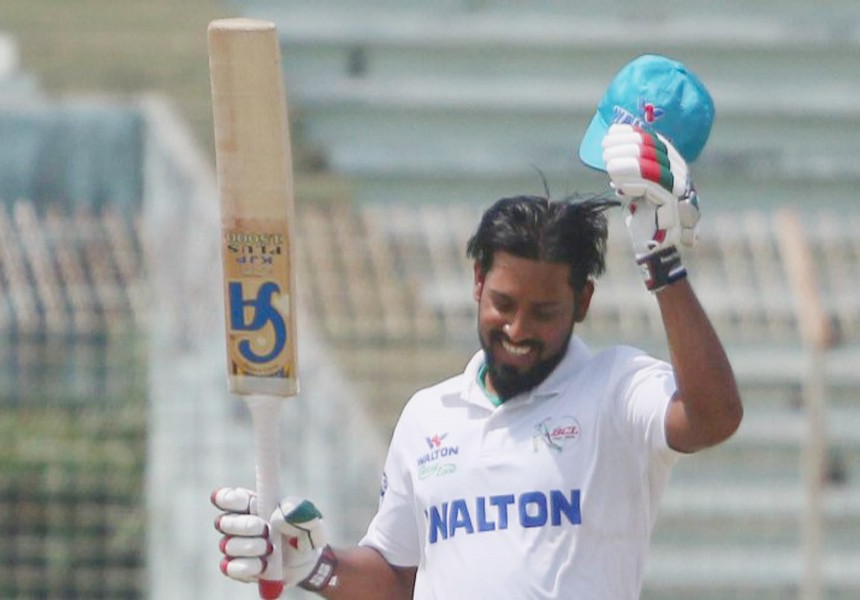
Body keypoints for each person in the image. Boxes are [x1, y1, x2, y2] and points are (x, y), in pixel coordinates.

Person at [211, 54, 743, 599]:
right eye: (503, 304)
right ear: (477, 284)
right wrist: (314, 567)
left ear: (582, 302)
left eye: (543, 313)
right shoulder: (427, 417)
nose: (517, 329)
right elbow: (396, 578)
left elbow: (714, 417)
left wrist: (663, 265)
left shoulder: (615, 389)